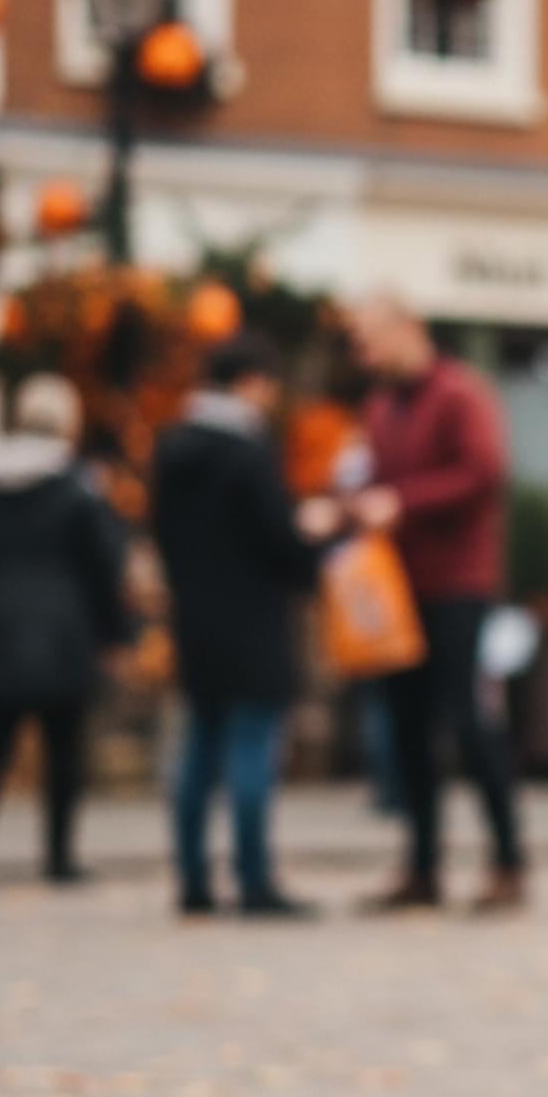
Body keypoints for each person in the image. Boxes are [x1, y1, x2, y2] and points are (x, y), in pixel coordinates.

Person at [346, 295, 526, 912]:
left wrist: (402, 502)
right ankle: (422, 868)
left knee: (470, 725)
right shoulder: (381, 407)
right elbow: (377, 482)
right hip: (400, 590)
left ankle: (508, 862)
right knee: (406, 730)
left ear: (407, 330)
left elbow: (484, 471)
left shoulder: (459, 393)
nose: (362, 354)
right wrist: (346, 506)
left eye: (370, 339)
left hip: (458, 586)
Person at [152, 333, 334, 916]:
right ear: (251, 382)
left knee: (200, 747)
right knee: (253, 747)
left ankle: (193, 880)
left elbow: (161, 535)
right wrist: (310, 544)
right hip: (253, 619)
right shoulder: (248, 452)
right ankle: (254, 880)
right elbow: (278, 539)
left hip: (194, 619)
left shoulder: (170, 446)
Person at [0, 374, 127, 885]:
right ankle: (58, 857)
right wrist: (114, 634)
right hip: (64, 633)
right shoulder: (77, 489)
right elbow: (102, 565)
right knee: (64, 751)